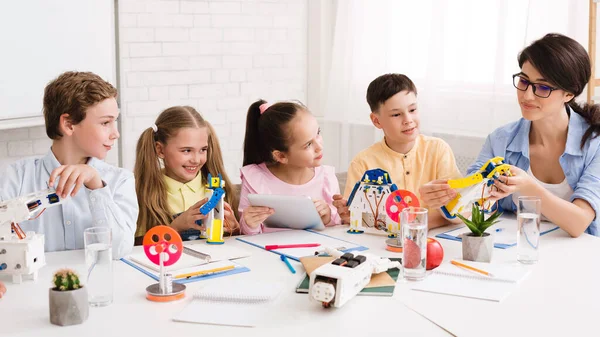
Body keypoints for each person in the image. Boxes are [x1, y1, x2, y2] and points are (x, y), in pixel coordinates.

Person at [422, 33, 600, 237]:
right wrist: (447, 201)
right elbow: (472, 208)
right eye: (524, 81)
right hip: (516, 252)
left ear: (569, 94)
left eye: (542, 87)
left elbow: (579, 223)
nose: (527, 95)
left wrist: (528, 186)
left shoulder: (594, 144)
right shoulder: (501, 140)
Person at [0, 71, 137, 258]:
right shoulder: (16, 178)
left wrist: (96, 186)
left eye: (115, 122)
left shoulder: (120, 180)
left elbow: (120, 250)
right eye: (105, 122)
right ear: (69, 124)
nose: (116, 133)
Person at [332, 73, 462, 228]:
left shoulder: (438, 149)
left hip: (436, 238)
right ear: (376, 120)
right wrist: (346, 214)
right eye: (396, 114)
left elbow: (460, 211)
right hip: (380, 244)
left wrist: (412, 224)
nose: (408, 119)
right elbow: (355, 218)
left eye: (412, 109)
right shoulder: (363, 163)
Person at [134, 106, 239, 243]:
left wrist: (235, 229)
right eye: (186, 150)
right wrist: (175, 228)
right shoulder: (143, 193)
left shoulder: (220, 190)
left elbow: (233, 240)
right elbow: (135, 247)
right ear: (160, 150)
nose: (196, 159)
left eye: (203, 150)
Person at [238, 99, 340, 235]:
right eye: (308, 144)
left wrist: (328, 215)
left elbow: (339, 228)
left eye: (318, 133)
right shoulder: (255, 179)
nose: (319, 146)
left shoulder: (326, 177)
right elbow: (248, 236)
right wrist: (249, 223)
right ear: (281, 156)